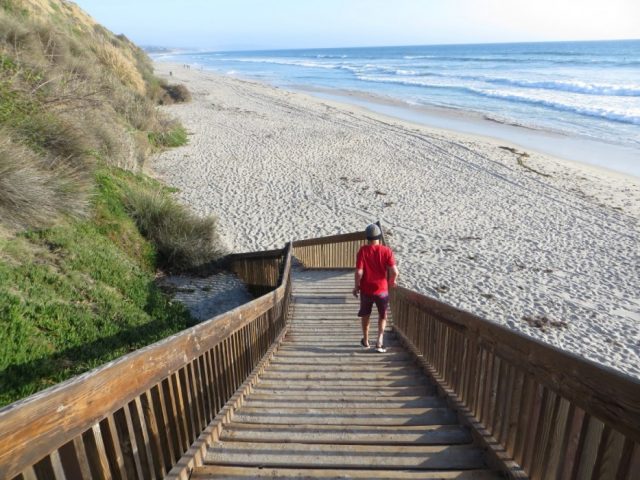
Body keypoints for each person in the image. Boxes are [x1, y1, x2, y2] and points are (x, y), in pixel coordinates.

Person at [352, 223, 399, 353]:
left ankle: (366, 341)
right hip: (382, 290)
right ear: (379, 237)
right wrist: (391, 281)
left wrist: (356, 286)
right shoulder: (387, 251)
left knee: (366, 315)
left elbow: (359, 272)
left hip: (366, 290)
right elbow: (395, 271)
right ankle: (379, 341)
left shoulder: (363, 250)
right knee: (382, 315)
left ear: (367, 237)